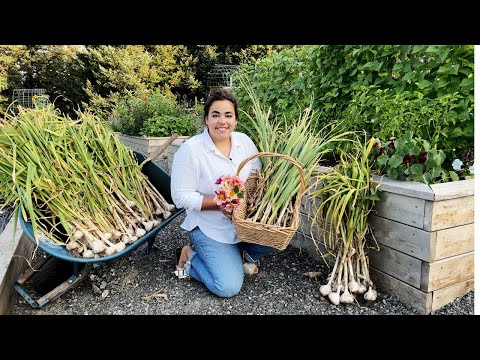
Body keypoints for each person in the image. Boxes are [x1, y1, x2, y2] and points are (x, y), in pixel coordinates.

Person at [170, 88, 275, 298]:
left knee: (278, 233)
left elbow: (257, 172)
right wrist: (220, 204)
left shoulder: (244, 141)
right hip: (210, 227)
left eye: (228, 115)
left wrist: (249, 198)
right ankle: (188, 256)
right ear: (206, 119)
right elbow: (180, 196)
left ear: (236, 120)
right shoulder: (191, 150)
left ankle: (244, 256)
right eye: (215, 115)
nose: (222, 121)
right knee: (227, 287)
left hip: (244, 222)